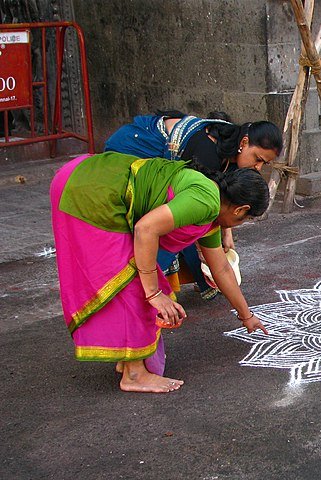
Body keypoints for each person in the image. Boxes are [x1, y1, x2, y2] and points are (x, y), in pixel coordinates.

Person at [50, 151, 269, 393]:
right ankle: (134, 374)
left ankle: (128, 359)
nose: (236, 225)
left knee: (139, 280)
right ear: (240, 209)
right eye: (243, 220)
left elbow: (221, 268)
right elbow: (146, 229)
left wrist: (246, 316)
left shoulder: (211, 210)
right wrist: (153, 293)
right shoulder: (205, 200)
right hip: (91, 189)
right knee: (137, 285)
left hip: (89, 180)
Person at [104, 111, 283, 299]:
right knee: (178, 229)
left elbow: (224, 203)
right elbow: (199, 216)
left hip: (167, 182)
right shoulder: (206, 154)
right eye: (258, 159)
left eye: (264, 164)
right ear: (244, 142)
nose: (258, 167)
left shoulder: (232, 157)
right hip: (130, 154)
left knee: (195, 228)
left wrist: (227, 233)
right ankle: (137, 291)